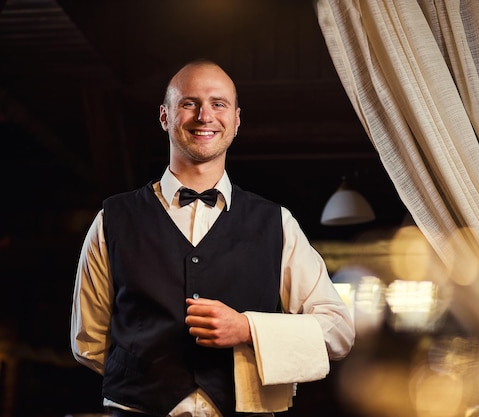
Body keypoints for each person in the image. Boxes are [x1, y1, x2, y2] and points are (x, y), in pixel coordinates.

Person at [70, 59, 355, 417]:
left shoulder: (277, 222)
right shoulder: (111, 220)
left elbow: (339, 331)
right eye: (189, 103)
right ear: (164, 117)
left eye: (218, 104)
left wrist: (248, 328)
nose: (205, 116)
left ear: (236, 120)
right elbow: (89, 343)